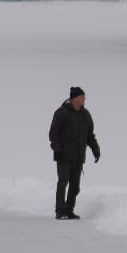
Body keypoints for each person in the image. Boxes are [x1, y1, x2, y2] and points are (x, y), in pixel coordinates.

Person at [49, 86, 100, 220]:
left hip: (78, 156)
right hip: (63, 155)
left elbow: (90, 136)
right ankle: (60, 211)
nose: (84, 99)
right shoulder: (61, 113)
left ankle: (69, 210)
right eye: (82, 97)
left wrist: (96, 150)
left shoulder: (85, 115)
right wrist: (57, 149)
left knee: (75, 186)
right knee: (63, 182)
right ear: (74, 98)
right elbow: (53, 133)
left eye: (84, 97)